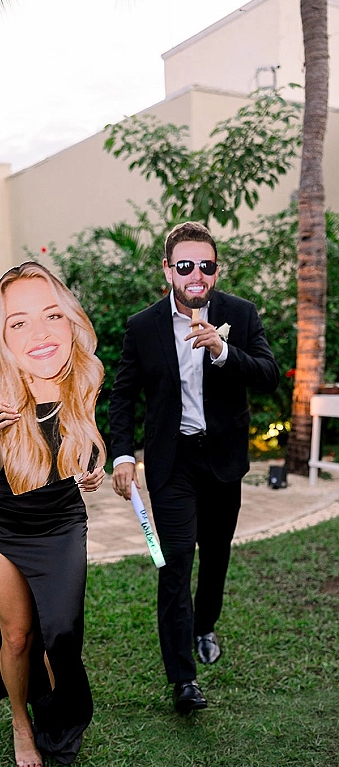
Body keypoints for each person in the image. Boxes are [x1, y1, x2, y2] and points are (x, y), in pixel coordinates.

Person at [0, 261, 106, 767]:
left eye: (51, 315)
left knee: (62, 633)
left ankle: (58, 709)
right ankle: (20, 721)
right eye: (19, 320)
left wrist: (93, 466)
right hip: (3, 523)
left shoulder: (85, 371)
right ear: (1, 330)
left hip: (61, 520)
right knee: (17, 635)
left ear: (68, 319)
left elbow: (81, 441)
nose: (39, 331)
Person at [109, 222, 279, 714]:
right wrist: (124, 453)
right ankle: (183, 679)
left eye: (206, 265)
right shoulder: (143, 327)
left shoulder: (239, 315)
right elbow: (123, 397)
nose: (196, 274)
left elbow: (268, 375)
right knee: (175, 561)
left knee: (216, 555)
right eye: (185, 266)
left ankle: (205, 625)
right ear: (168, 270)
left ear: (216, 270)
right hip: (173, 461)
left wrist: (224, 351)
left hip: (223, 460)